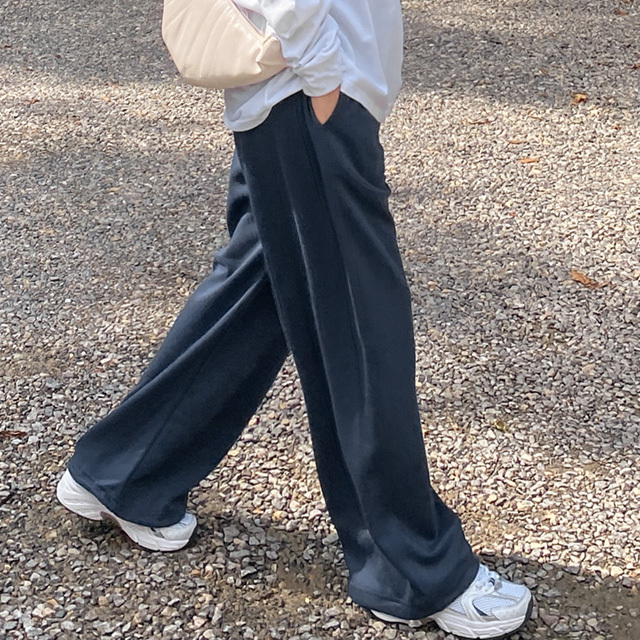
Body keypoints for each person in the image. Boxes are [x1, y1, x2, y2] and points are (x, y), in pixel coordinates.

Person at [56, 0, 533, 637]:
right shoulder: (318, 80)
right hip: (308, 95)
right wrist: (325, 74)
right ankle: (410, 568)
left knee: (257, 295)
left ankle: (123, 472)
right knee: (360, 327)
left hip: (298, 94)